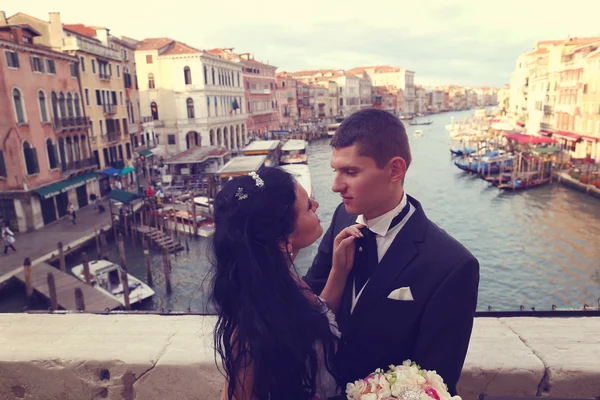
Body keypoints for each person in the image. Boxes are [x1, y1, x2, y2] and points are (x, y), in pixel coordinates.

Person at [304, 109, 480, 396]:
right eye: (335, 170)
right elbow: (311, 296)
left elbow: (436, 379)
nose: (336, 186)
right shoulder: (342, 217)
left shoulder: (452, 265)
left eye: (350, 172)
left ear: (395, 170)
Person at [212, 167, 362, 400]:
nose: (316, 205)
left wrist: (339, 270)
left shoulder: (278, 281)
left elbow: (316, 321)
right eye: (308, 207)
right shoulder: (253, 323)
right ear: (282, 241)